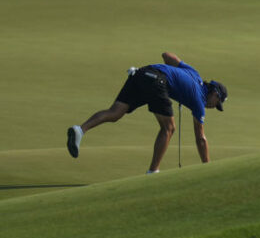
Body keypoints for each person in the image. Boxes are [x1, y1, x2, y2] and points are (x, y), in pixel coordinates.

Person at [66, 52, 228, 173]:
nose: (214, 107)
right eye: (217, 102)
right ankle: (153, 172)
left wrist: (178, 81)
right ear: (214, 92)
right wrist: (208, 167)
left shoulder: (194, 73)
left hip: (141, 73)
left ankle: (80, 130)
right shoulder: (199, 101)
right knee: (169, 128)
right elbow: (200, 138)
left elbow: (167, 55)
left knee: (115, 113)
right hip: (158, 81)